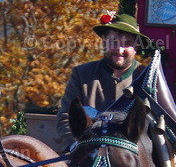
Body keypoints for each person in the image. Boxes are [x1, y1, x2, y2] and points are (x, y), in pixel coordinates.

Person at [53, 13, 150, 152]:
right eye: (113, 42)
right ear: (104, 43)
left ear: (137, 46)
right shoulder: (82, 74)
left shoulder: (146, 77)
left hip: (130, 154)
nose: (119, 50)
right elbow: (66, 117)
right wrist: (75, 145)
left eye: (127, 44)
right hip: (87, 151)